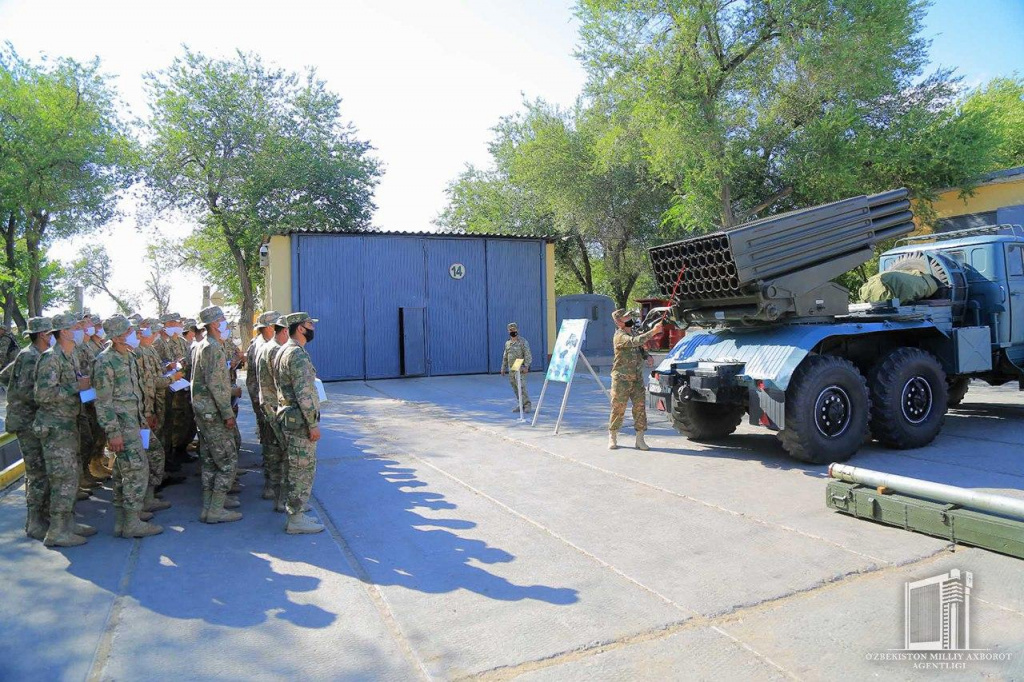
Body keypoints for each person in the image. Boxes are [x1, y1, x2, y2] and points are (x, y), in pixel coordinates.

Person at [94, 315, 162, 538]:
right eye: (129, 332)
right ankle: (131, 523)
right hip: (122, 426)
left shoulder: (129, 357)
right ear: (118, 337)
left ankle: (124, 519)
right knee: (135, 471)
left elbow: (136, 393)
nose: (135, 335)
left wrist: (143, 417)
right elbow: (103, 402)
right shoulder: (105, 361)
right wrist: (113, 433)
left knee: (123, 471)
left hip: (135, 422)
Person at [33, 312, 97, 547]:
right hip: (55, 428)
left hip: (68, 424)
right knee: (63, 479)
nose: (80, 330)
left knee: (70, 477)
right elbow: (43, 395)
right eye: (75, 327)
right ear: (64, 332)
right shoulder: (51, 358)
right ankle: (57, 532)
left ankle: (67, 523)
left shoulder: (70, 356)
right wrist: (75, 386)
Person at [1, 317, 54, 540]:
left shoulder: (33, 354)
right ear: (43, 335)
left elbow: (4, 375)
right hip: (28, 422)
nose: (54, 336)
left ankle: (41, 517)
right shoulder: (30, 357)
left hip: (32, 420)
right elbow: (27, 392)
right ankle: (34, 522)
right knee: (37, 472)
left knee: (40, 470)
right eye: (51, 333)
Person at [191, 305, 243, 524]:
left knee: (211, 460)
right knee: (228, 460)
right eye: (222, 318)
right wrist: (227, 412)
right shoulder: (212, 348)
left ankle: (210, 505)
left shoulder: (205, 345)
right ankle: (216, 509)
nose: (225, 322)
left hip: (205, 412)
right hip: (214, 412)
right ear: (213, 324)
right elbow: (216, 385)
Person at [273, 312, 323, 534]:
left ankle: (295, 509)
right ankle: (296, 518)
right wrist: (312, 424)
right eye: (310, 324)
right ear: (300, 328)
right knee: (302, 469)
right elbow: (304, 394)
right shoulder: (297, 354)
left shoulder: (284, 350)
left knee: (293, 466)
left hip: (289, 417)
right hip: (300, 421)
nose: (313, 328)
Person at [608, 309, 663, 451]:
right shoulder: (619, 336)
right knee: (618, 409)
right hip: (622, 379)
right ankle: (612, 436)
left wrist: (647, 356)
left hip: (637, 378)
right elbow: (634, 342)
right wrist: (653, 332)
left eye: (629, 316)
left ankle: (640, 439)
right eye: (626, 317)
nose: (630, 318)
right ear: (619, 322)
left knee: (639, 409)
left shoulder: (633, 332)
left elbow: (640, 348)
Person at [255, 314, 289, 509]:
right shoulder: (276, 350)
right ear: (283, 331)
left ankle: (274, 492)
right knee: (282, 453)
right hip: (276, 407)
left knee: (271, 450)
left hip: (267, 405)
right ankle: (283, 499)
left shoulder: (266, 347)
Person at [247, 310, 279, 499]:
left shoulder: (258, 344)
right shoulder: (264, 346)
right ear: (268, 327)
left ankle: (271, 482)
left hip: (260, 398)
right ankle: (271, 486)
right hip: (266, 401)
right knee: (271, 442)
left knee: (268, 440)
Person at [500, 322, 532, 412]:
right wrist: (503, 368)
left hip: (520, 368)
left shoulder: (523, 342)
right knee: (515, 387)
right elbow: (505, 357)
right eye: (510, 330)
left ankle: (527, 405)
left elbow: (528, 354)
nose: (512, 331)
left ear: (517, 330)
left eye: (514, 329)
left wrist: (526, 366)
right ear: (508, 331)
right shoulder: (508, 343)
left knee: (521, 386)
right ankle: (521, 404)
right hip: (512, 369)